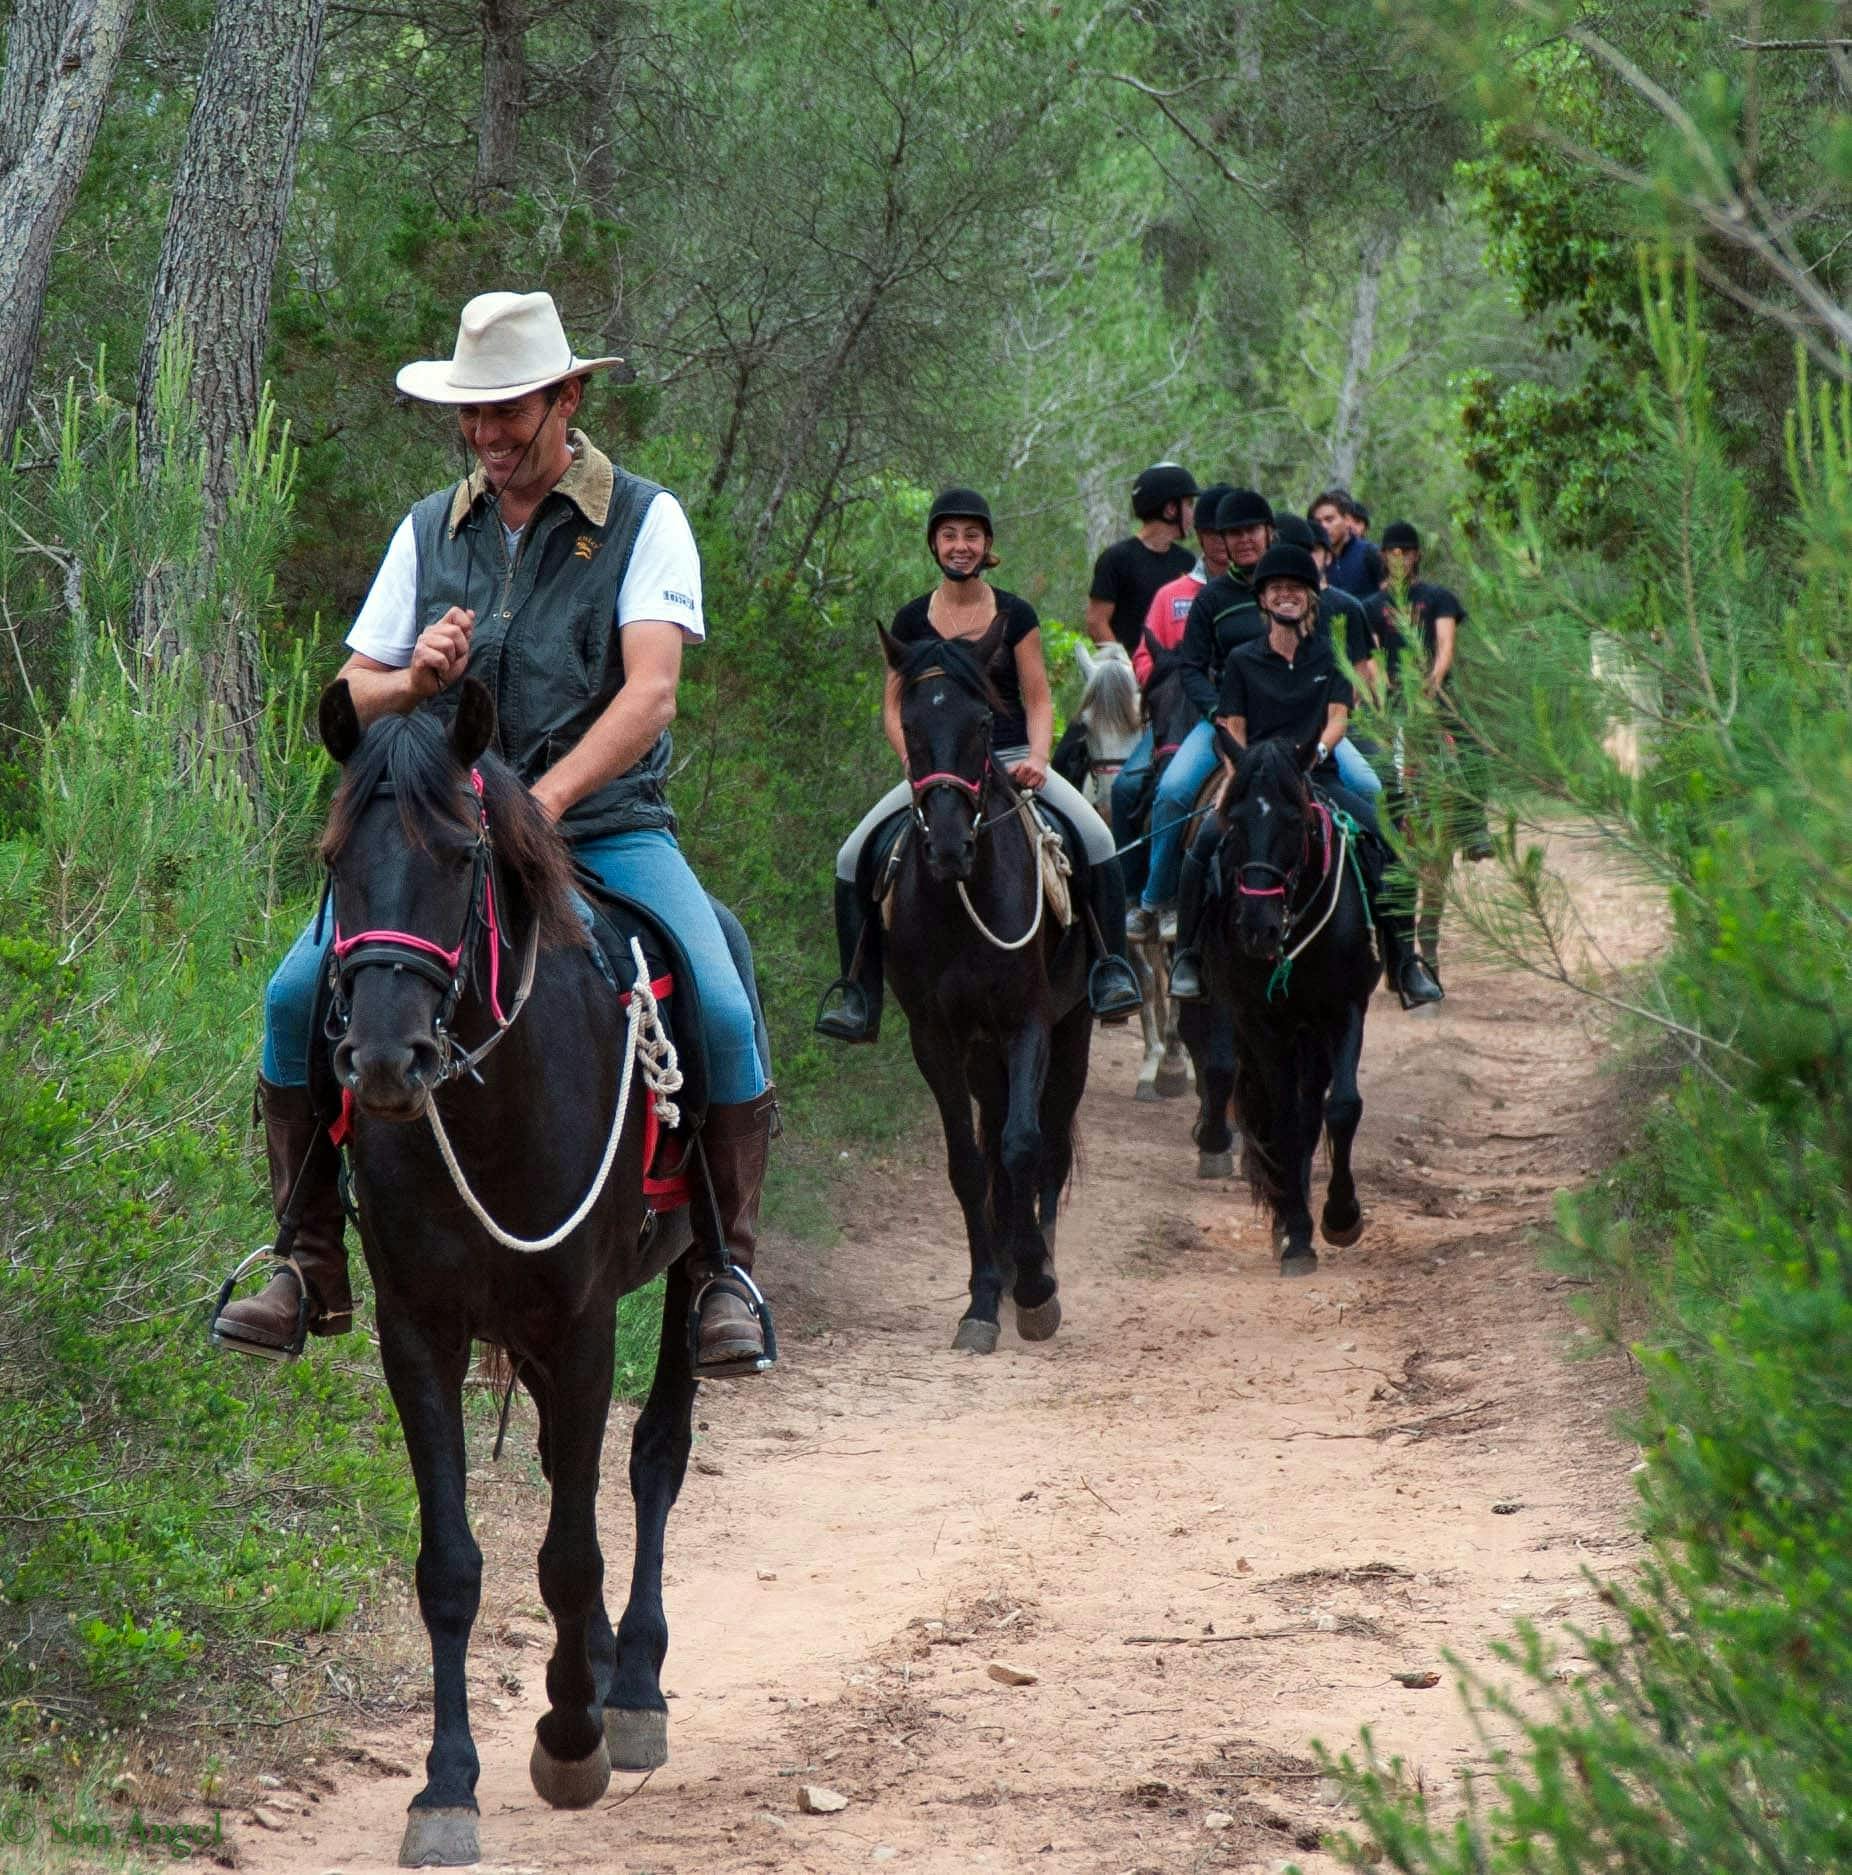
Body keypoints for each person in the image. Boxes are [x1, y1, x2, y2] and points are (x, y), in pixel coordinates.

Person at [214, 290, 778, 1376]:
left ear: (565, 399)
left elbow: (651, 693)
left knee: (715, 991)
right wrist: (415, 677)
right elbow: (349, 691)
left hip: (603, 826)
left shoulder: (643, 520)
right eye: (471, 416)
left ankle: (724, 1267)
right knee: (295, 994)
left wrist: (546, 803)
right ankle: (308, 1257)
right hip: (436, 834)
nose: (487, 436)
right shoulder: (431, 528)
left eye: (507, 411)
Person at [815, 489, 1144, 1042]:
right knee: (853, 855)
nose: (960, 546)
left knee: (1097, 841)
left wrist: (1039, 757)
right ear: (934, 544)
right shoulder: (911, 619)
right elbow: (893, 706)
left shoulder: (1016, 614)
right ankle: (858, 994)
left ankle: (1110, 972)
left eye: (971, 535)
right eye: (950, 535)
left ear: (987, 544)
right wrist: (911, 760)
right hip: (938, 769)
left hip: (1011, 758)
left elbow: (1038, 699)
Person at [1165, 544, 1444, 1008]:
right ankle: (1189, 956)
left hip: (1315, 775)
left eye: (1295, 589)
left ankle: (1404, 961)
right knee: (1203, 846)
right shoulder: (1240, 659)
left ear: (1311, 598)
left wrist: (1314, 753)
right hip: (1255, 780)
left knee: (1386, 843)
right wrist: (1236, 782)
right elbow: (1232, 727)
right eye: (1276, 589)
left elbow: (1339, 716)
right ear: (1263, 600)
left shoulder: (1328, 657)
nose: (1286, 596)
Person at [1125, 486, 1275, 941]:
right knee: (1171, 790)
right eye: (1232, 533)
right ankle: (1155, 898)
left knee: (1366, 785)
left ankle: (1385, 926)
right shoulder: (1209, 598)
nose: (1242, 540)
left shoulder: (1291, 587)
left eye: (1251, 530)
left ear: (1270, 532)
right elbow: (1190, 667)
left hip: (1291, 723)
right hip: (1222, 723)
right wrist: (1217, 712)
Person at [1107, 482, 1233, 894]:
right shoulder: (1172, 595)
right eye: (1213, 534)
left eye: (1229, 533)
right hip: (1176, 714)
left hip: (1235, 712)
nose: (1222, 542)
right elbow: (1143, 655)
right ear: (1201, 537)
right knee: (1126, 788)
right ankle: (1131, 895)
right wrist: (1165, 685)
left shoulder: (1260, 590)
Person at [1372, 519, 1494, 863]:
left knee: (1472, 745)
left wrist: (1433, 681)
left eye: (1406, 551)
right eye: (1392, 552)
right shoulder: (1372, 605)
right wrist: (1385, 686)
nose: (1399, 558)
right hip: (1393, 694)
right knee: (1374, 752)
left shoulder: (1438, 598)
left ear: (1417, 555)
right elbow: (1374, 652)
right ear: (1382, 555)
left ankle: (1473, 827)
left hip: (1438, 692)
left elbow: (1445, 644)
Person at [1085, 463, 1198, 654]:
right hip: (1133, 679)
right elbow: (1096, 622)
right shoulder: (1117, 559)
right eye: (1188, 505)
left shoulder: (1187, 562)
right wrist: (1127, 670)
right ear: (1171, 509)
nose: (1192, 514)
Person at [1309, 487, 1386, 599]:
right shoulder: (1316, 559)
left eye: (1329, 520)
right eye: (1318, 522)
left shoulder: (1369, 553)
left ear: (1347, 520)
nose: (1323, 526)